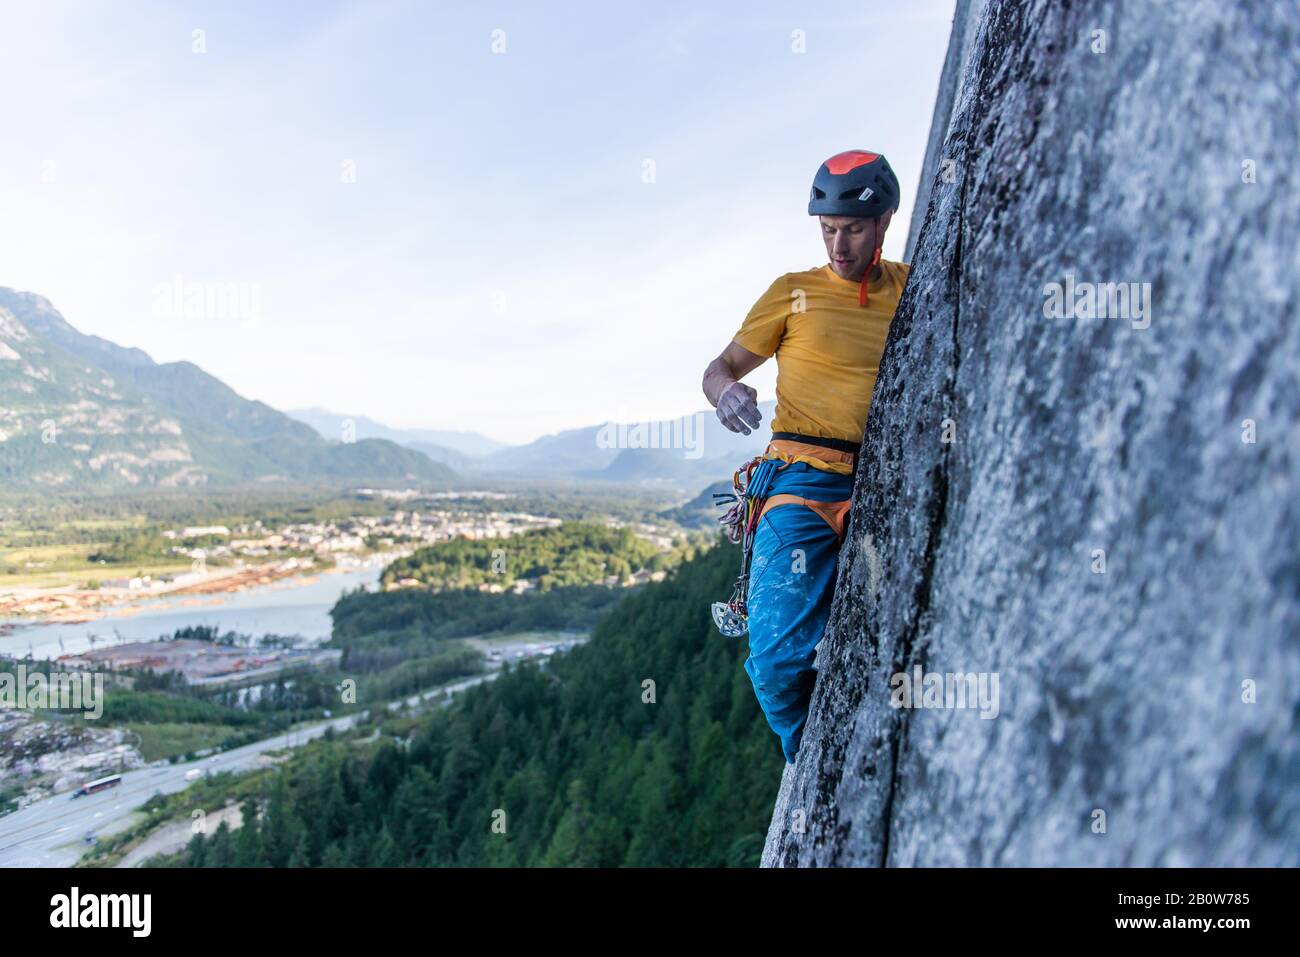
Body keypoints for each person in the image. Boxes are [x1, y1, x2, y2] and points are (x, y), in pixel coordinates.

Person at [701, 150, 911, 763]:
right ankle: (812, 770)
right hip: (800, 484)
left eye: (851, 229)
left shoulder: (910, 286)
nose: (838, 246)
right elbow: (719, 369)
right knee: (773, 661)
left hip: (880, 478)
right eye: (827, 230)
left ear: (884, 222)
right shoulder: (792, 294)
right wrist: (727, 394)